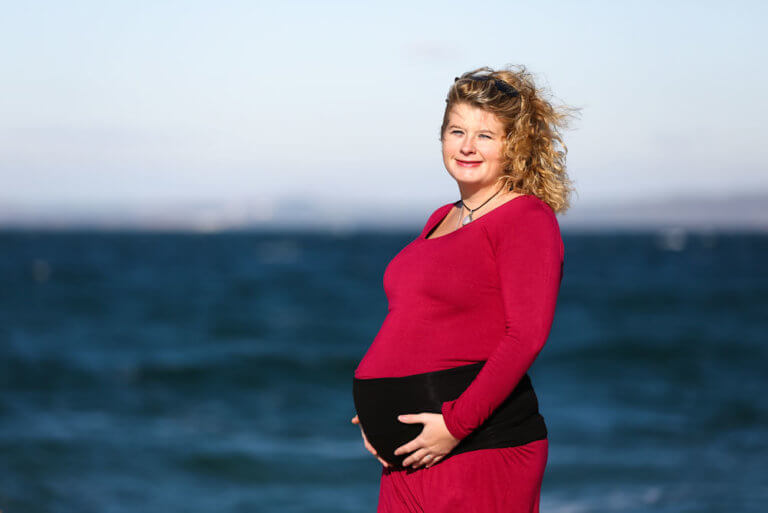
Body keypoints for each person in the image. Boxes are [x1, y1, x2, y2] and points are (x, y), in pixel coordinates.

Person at [350, 64, 576, 512]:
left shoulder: (527, 219)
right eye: (457, 131)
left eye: (485, 135)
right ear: (441, 138)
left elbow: (525, 336)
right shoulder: (441, 216)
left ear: (514, 145)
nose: (467, 146)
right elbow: (420, 323)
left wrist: (454, 426)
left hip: (478, 449)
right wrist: (377, 416)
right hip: (408, 461)